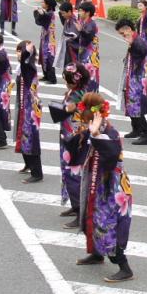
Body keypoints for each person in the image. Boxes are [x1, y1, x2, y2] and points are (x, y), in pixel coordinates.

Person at [63, 92, 134, 282]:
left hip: (112, 188)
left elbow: (111, 156)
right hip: (97, 183)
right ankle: (96, 254)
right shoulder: (94, 127)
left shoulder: (110, 132)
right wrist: (80, 134)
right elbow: (75, 146)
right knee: (90, 217)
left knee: (107, 224)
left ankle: (124, 267)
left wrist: (95, 134)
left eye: (87, 121)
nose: (86, 124)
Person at [49, 63, 91, 227]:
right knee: (68, 171)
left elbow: (71, 110)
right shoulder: (75, 92)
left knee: (74, 173)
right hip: (68, 135)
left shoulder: (78, 95)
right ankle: (75, 206)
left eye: (67, 78)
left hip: (75, 138)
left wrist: (63, 109)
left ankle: (81, 212)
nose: (64, 80)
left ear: (74, 79)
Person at [115, 19, 147, 142]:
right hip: (131, 75)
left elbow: (144, 50)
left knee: (136, 105)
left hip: (137, 77)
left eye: (122, 33)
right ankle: (136, 129)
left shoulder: (137, 40)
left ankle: (146, 132)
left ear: (129, 29)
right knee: (130, 103)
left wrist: (132, 45)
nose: (122, 36)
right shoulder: (133, 39)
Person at [15, 41, 43, 183]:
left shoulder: (29, 67)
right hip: (26, 106)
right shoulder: (24, 67)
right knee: (24, 136)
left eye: (21, 51)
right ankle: (29, 165)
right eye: (18, 51)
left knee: (31, 139)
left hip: (31, 108)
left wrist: (27, 52)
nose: (18, 54)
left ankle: (37, 173)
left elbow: (25, 63)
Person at [76, 1, 101, 92]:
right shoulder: (84, 22)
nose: (79, 13)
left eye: (81, 11)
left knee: (90, 76)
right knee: (84, 76)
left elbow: (88, 36)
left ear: (87, 13)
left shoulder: (91, 24)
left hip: (90, 55)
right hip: (84, 54)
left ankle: (91, 97)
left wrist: (81, 31)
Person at [34, 0, 59, 84]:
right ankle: (46, 75)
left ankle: (52, 78)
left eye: (43, 2)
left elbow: (43, 19)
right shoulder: (47, 12)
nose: (42, 3)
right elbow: (39, 21)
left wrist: (41, 14)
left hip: (49, 39)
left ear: (48, 4)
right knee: (43, 56)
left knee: (49, 57)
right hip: (45, 37)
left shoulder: (50, 13)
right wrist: (39, 13)